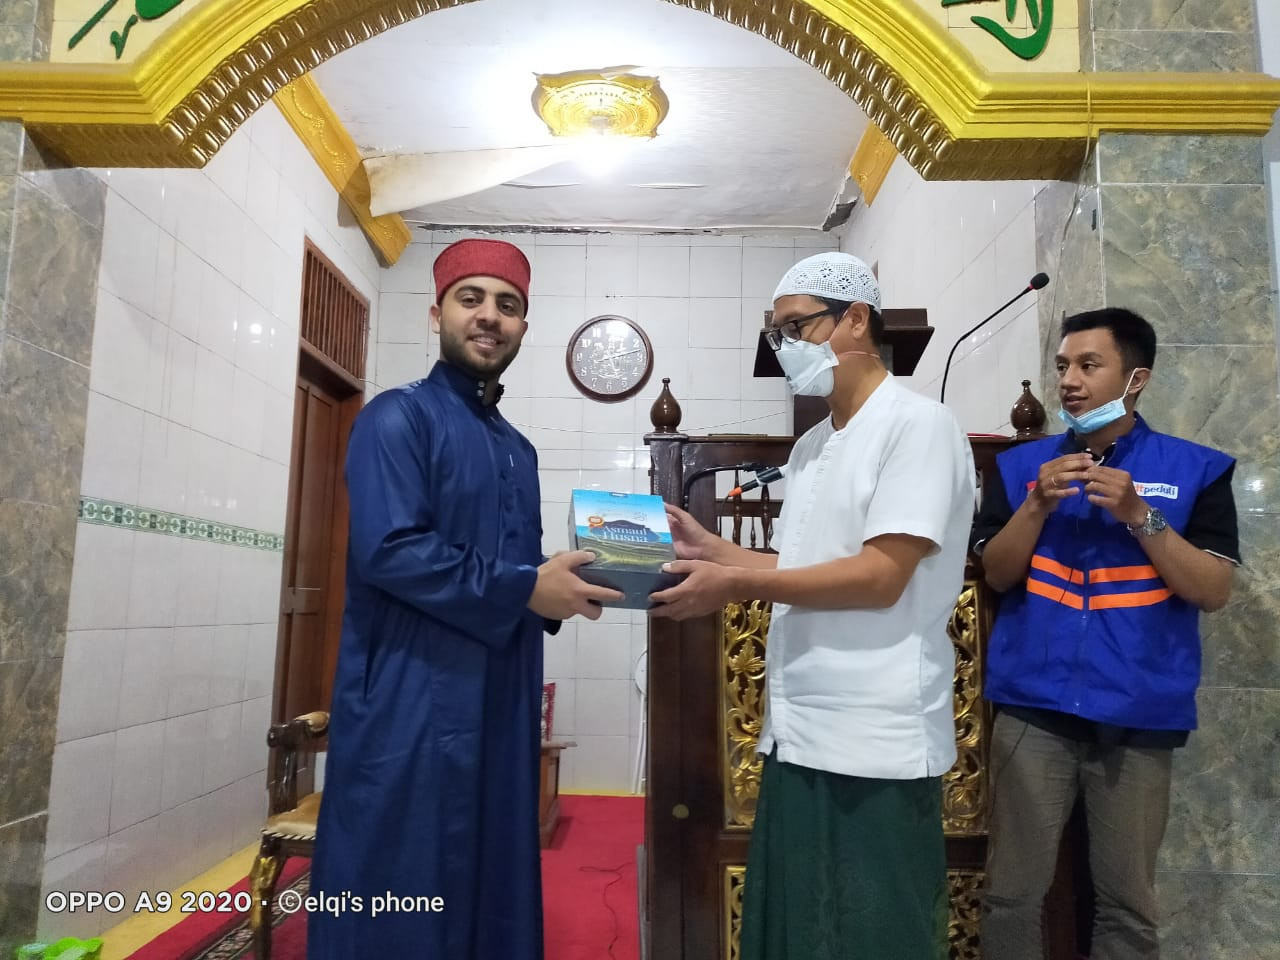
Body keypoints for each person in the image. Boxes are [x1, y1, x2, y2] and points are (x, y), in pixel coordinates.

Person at [651, 252, 975, 959]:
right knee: (800, 927)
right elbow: (803, 568)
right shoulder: (810, 447)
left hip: (875, 734)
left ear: (856, 318)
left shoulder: (918, 426)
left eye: (797, 327)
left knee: (874, 930)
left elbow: (880, 577)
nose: (786, 348)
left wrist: (736, 584)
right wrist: (713, 550)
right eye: (777, 334)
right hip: (799, 727)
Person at [308, 238, 620, 960]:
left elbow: (515, 570)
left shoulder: (517, 447)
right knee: (401, 873)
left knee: (492, 866)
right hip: (410, 698)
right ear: (436, 313)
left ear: (523, 327)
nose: (490, 317)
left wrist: (560, 591)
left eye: (508, 305)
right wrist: (527, 586)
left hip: (500, 697)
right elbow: (390, 552)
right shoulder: (397, 419)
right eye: (471, 298)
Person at [972, 307, 1239, 960]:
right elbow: (997, 576)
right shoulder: (1018, 468)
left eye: (1090, 366)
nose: (1069, 380)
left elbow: (1210, 590)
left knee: (1127, 903)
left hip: (1140, 712)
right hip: (1034, 709)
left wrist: (1137, 513)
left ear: (1135, 378)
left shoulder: (1196, 470)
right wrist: (1036, 505)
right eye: (1063, 365)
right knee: (1010, 893)